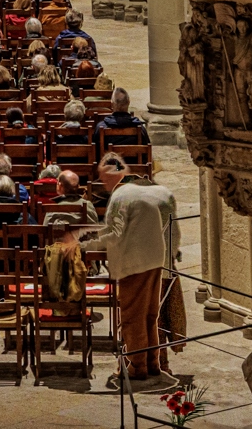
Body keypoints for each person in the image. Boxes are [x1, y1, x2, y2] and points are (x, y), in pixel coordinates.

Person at [65, 154, 179, 384]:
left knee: (133, 316)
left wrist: (83, 242)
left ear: (114, 174)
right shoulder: (144, 190)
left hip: (134, 262)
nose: (103, 183)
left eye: (104, 178)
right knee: (149, 315)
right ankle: (153, 363)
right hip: (157, 258)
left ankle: (138, 367)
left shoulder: (121, 194)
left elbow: (114, 234)